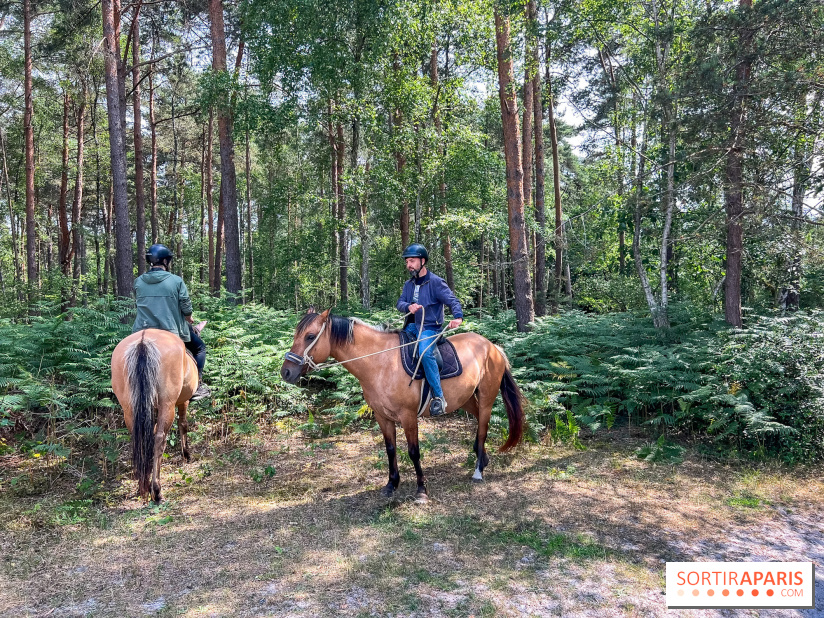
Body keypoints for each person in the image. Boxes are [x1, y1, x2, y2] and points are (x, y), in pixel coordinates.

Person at [133, 244, 211, 401]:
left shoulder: (138, 282)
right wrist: (189, 317)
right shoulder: (176, 281)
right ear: (165, 261)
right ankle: (199, 385)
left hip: (140, 331)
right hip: (170, 329)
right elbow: (186, 306)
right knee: (200, 348)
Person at [396, 243, 463, 417]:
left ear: (422, 261)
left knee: (425, 352)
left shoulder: (435, 282)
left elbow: (452, 300)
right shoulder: (408, 284)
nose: (409, 264)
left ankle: (439, 398)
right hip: (411, 327)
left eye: (412, 261)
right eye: (407, 262)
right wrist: (408, 306)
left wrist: (458, 316)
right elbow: (400, 303)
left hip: (430, 328)